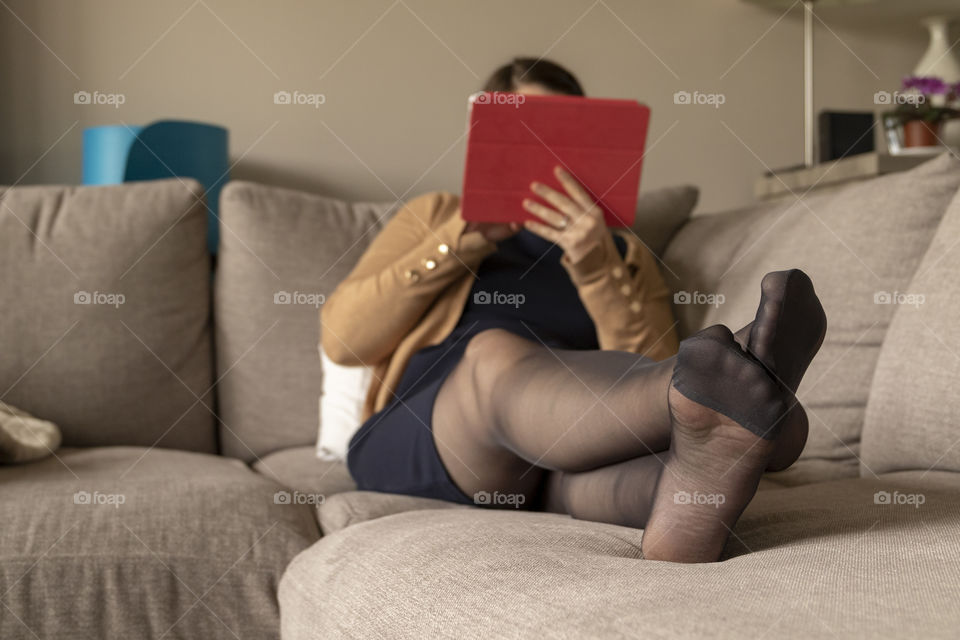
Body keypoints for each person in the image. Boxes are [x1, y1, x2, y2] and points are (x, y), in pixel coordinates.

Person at [321, 57, 826, 563]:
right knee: (493, 354)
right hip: (432, 429)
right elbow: (345, 339)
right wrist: (463, 239)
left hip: (556, 449)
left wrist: (595, 263)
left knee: (657, 461)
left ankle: (704, 486)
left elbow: (638, 363)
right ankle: (740, 389)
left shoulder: (623, 254)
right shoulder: (437, 216)